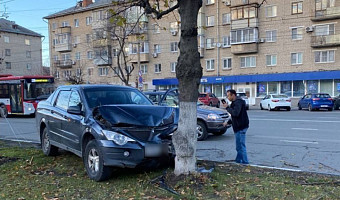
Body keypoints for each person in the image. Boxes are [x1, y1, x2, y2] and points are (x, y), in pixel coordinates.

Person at [222, 89, 249, 164]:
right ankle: (238, 160)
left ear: (233, 95)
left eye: (228, 96)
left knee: (241, 146)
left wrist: (227, 107)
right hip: (239, 126)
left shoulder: (238, 102)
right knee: (239, 146)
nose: (227, 97)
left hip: (241, 127)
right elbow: (235, 117)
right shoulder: (235, 102)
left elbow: (235, 113)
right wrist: (228, 122)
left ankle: (245, 163)